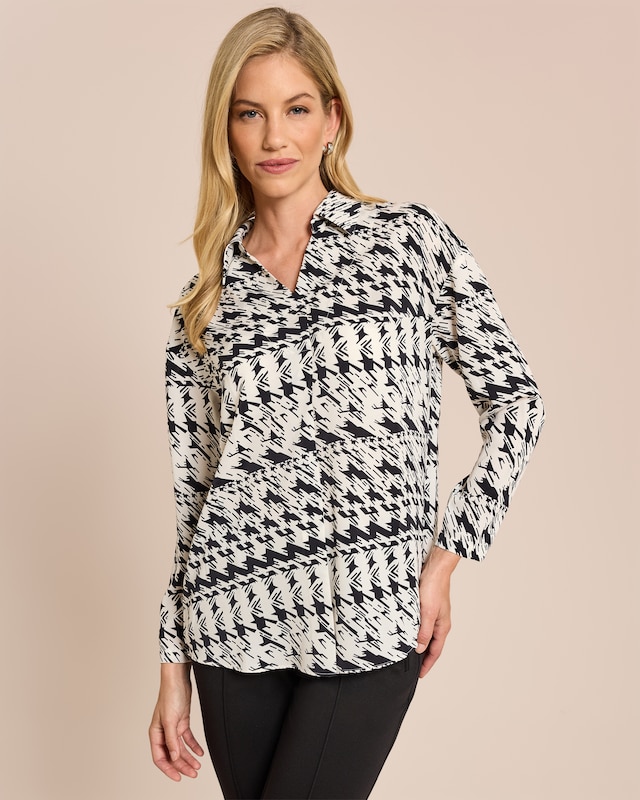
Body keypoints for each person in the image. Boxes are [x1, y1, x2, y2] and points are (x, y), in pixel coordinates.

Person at [148, 7, 545, 799]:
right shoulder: (206, 304)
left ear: (332, 120)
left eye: (296, 109)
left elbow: (518, 403)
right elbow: (195, 502)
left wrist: (447, 557)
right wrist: (170, 664)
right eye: (250, 113)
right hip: (232, 626)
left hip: (372, 612)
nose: (274, 137)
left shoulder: (409, 245)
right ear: (225, 131)